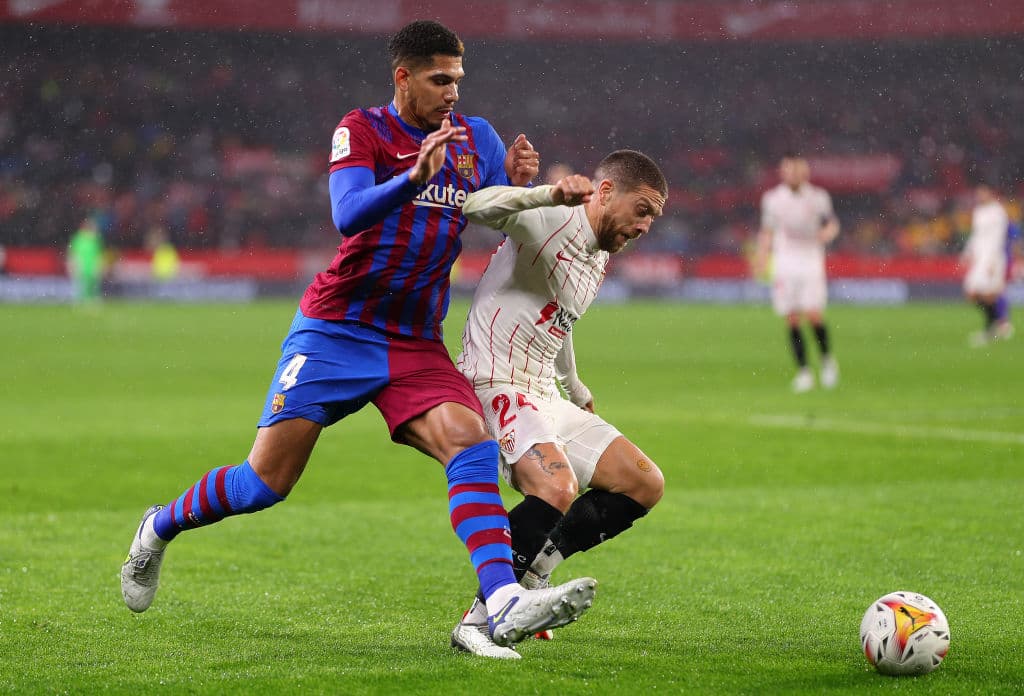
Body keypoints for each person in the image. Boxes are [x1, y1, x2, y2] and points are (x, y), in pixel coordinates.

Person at [120, 19, 596, 650]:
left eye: (458, 78)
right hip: (336, 330)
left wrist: (527, 187)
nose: (453, 91)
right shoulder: (362, 129)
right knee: (264, 483)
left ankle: (502, 601)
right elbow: (347, 214)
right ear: (403, 77)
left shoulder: (477, 137)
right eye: (439, 79)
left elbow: (489, 210)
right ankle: (159, 526)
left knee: (470, 442)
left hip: (413, 341)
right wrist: (412, 180)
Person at [449, 150, 668, 659]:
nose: (644, 227)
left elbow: (559, 320)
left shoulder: (598, 256)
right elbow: (475, 206)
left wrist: (575, 385)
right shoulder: (554, 217)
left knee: (643, 483)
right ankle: (479, 622)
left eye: (652, 218)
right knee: (557, 484)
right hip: (496, 381)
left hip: (544, 390)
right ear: (606, 191)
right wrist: (545, 193)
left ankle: (531, 579)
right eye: (642, 210)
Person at [753, 154, 840, 392]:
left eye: (794, 170)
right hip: (785, 260)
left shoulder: (818, 197)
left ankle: (826, 360)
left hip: (811, 258)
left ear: (804, 172)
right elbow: (767, 231)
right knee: (791, 317)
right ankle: (804, 372)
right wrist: (762, 257)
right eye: (786, 170)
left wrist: (827, 234)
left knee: (813, 314)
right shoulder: (772, 199)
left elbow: (831, 223)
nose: (790, 174)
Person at [962, 183, 1010, 346]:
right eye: (978, 193)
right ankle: (998, 323)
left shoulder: (998, 212)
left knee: (990, 294)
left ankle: (991, 329)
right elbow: (976, 236)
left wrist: (992, 261)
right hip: (979, 258)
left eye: (983, 192)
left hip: (992, 258)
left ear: (990, 193)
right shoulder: (978, 212)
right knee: (972, 294)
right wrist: (967, 253)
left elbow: (998, 238)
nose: (980, 196)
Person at [67, 216, 104, 303]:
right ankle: (79, 301)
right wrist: (72, 265)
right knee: (80, 286)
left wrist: (100, 266)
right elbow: (73, 254)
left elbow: (99, 255)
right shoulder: (78, 239)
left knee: (93, 286)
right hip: (81, 267)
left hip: (92, 267)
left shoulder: (95, 240)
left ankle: (92, 300)